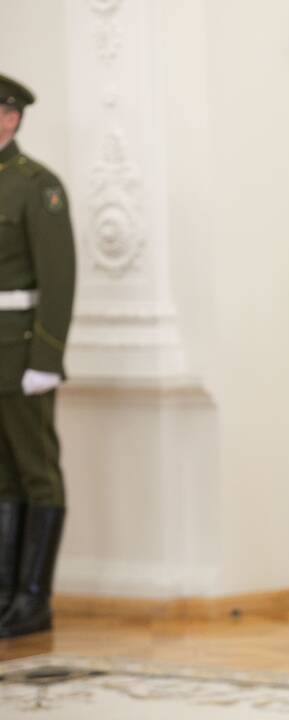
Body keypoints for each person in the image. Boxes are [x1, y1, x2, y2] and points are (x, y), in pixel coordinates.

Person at [0, 74, 76, 639]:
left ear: (16, 118)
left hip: (21, 349)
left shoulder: (38, 186)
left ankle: (33, 599)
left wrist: (46, 358)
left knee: (37, 472)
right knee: (2, 478)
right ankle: (6, 592)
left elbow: (59, 277)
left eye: (6, 113)